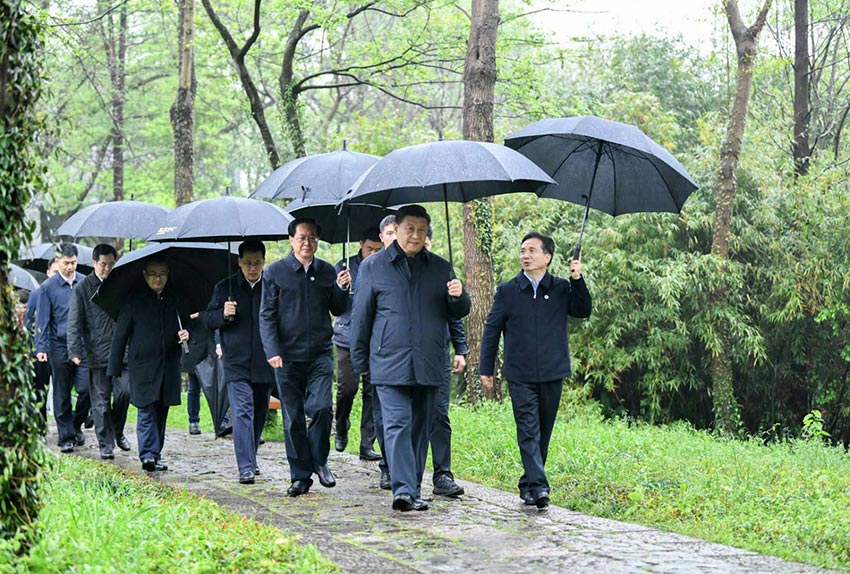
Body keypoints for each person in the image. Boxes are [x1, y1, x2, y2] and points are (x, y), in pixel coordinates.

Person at [351, 205, 471, 512]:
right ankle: (403, 490)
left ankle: (412, 489)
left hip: (429, 360)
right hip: (388, 360)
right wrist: (359, 358)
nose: (416, 235)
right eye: (409, 229)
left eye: (421, 230)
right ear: (397, 229)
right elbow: (361, 316)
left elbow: (457, 312)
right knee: (396, 423)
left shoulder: (441, 268)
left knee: (420, 427)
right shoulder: (374, 267)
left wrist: (460, 295)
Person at [479, 232, 591, 510]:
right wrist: (486, 368)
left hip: (553, 372)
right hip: (520, 374)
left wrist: (578, 280)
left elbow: (583, 310)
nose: (525, 255)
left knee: (543, 431)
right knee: (528, 430)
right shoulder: (507, 291)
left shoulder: (562, 288)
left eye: (531, 251)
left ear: (547, 257)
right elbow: (492, 329)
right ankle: (540, 487)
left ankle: (528, 484)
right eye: (522, 251)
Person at [259, 218, 348, 496]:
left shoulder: (326, 271)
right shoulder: (275, 272)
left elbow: (339, 308)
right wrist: (272, 350)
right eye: (301, 238)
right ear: (291, 240)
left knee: (322, 407)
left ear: (317, 240)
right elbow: (266, 315)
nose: (306, 243)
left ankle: (320, 461)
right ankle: (300, 475)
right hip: (286, 357)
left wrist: (343, 288)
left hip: (320, 353)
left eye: (312, 237)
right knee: (293, 416)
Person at [108, 258, 190, 471]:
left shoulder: (175, 298)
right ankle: (147, 455)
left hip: (169, 364)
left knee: (161, 409)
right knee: (145, 408)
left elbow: (191, 324)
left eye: (162, 273)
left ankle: (155, 453)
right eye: (153, 273)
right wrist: (113, 367)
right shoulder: (133, 300)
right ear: (145, 275)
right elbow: (120, 336)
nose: (158, 278)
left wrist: (187, 333)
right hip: (142, 365)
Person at [205, 240, 275, 485]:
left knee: (258, 413)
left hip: (265, 360)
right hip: (236, 360)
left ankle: (251, 458)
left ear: (264, 262)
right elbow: (208, 319)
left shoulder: (272, 285)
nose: (252, 268)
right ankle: (245, 467)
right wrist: (223, 314)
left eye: (257, 263)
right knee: (242, 411)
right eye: (248, 263)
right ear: (239, 262)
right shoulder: (226, 287)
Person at [67, 243, 131, 459]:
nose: (107, 268)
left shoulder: (122, 285)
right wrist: (74, 350)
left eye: (111, 264)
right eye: (103, 264)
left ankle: (118, 431)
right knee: (101, 402)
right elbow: (74, 321)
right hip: (97, 352)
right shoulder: (82, 288)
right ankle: (106, 443)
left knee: (124, 393)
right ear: (94, 263)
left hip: (122, 351)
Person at [424, 227, 467, 498]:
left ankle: (443, 474)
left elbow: (455, 314)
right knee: (406, 419)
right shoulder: (391, 271)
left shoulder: (443, 271)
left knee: (439, 415)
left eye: (424, 238)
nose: (419, 242)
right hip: (400, 358)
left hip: (437, 355)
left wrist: (460, 349)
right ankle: (397, 471)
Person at [333, 227, 382, 461]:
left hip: (375, 339)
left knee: (372, 391)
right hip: (347, 337)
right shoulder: (344, 266)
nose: (373, 253)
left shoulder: (384, 266)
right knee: (347, 388)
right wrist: (342, 287)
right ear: (361, 244)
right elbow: (334, 304)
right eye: (369, 249)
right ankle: (340, 424)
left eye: (378, 249)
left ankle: (367, 443)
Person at [35, 243, 90, 453]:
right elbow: (43, 320)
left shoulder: (83, 283)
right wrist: (41, 347)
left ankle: (75, 425)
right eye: (66, 263)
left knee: (85, 389)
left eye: (73, 263)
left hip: (82, 345)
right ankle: (66, 436)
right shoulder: (48, 287)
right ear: (57, 262)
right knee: (62, 391)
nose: (70, 267)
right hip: (59, 345)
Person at [370, 214, 398, 490]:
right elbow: (361, 316)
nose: (394, 236)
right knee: (383, 415)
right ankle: (388, 466)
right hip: (379, 355)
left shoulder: (420, 265)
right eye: (388, 232)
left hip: (410, 357)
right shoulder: (372, 267)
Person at [24, 259, 58, 429]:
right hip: (41, 350)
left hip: (61, 348)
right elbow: (28, 322)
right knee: (41, 390)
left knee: (63, 390)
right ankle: (40, 424)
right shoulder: (36, 294)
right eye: (54, 272)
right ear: (47, 272)